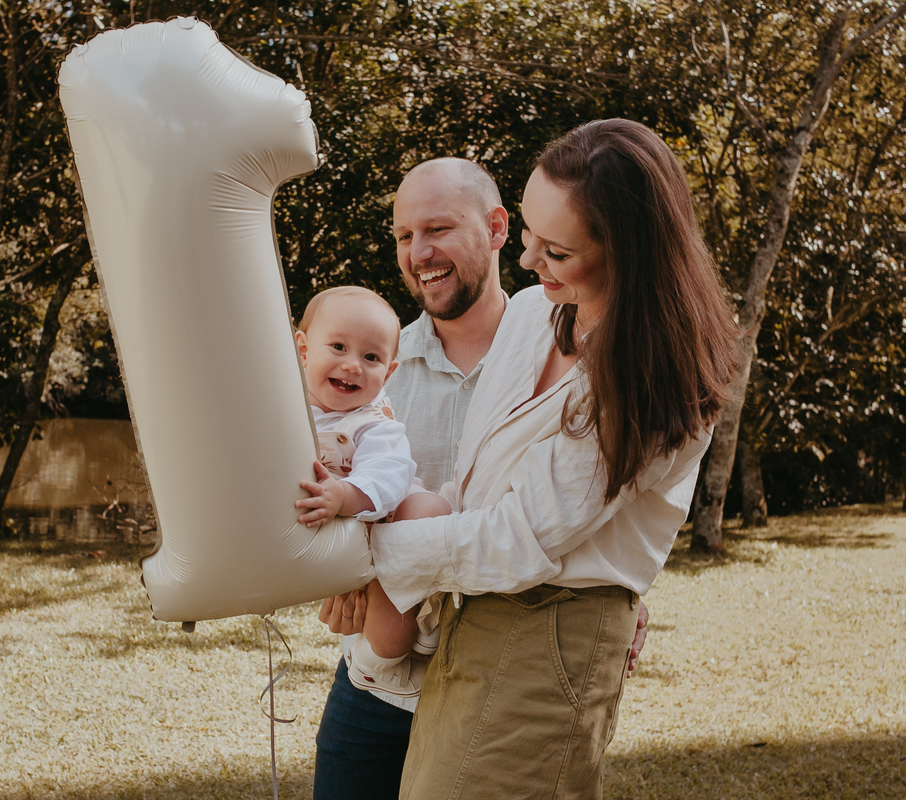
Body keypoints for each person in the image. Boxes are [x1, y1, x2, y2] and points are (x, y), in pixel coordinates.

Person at [364, 119, 739, 799]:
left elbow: (521, 537)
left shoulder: (653, 380)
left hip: (552, 633)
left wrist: (371, 556)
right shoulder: (536, 311)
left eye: (557, 251)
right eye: (531, 235)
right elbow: (476, 488)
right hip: (473, 616)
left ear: (629, 254)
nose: (531, 261)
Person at [312, 156, 653, 800]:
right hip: (380, 674)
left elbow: (583, 506)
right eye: (404, 236)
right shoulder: (368, 373)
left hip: (495, 669)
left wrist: (619, 594)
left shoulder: (556, 339)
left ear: (498, 228)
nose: (418, 253)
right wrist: (338, 571)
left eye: (436, 229)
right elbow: (322, 503)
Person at [293, 286, 451, 697]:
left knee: (431, 507)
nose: (352, 366)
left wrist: (345, 496)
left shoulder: (374, 422)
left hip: (383, 520)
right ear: (303, 348)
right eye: (339, 347)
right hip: (335, 541)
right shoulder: (284, 411)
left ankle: (381, 656)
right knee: (386, 625)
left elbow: (388, 473)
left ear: (389, 372)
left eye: (370, 357)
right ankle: (383, 656)